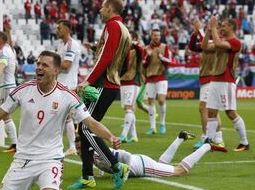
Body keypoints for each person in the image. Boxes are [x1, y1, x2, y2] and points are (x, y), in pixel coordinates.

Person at [0, 51, 122, 190]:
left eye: (45, 65)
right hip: (22, 159)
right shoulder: (23, 90)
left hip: (50, 160)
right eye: (38, 64)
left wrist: (111, 137)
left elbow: (91, 123)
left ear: (56, 70)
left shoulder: (68, 96)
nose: (39, 68)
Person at [69, 0, 131, 190]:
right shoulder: (125, 30)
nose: (100, 10)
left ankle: (116, 166)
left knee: (87, 128)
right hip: (110, 82)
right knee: (83, 126)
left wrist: (89, 80)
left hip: (102, 84)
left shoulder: (112, 26)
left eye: (103, 7)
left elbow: (107, 56)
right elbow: (124, 62)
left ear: (111, 8)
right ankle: (87, 176)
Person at [76, 131, 227, 178]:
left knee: (179, 171)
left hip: (141, 166)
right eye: (76, 148)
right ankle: (180, 138)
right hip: (141, 162)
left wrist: (125, 173)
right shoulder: (89, 154)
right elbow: (102, 162)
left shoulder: (95, 151)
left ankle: (207, 146)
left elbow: (123, 154)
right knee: (163, 163)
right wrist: (101, 173)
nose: (77, 150)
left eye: (79, 147)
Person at [201, 16, 249, 151]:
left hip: (226, 81)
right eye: (221, 25)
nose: (222, 27)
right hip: (215, 80)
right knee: (211, 112)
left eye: (224, 25)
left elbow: (217, 44)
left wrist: (214, 28)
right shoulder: (222, 41)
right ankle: (208, 143)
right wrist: (209, 31)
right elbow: (204, 47)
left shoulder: (235, 42)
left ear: (231, 27)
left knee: (230, 112)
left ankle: (244, 142)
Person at [188, 18, 223, 149]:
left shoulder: (219, 43)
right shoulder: (208, 40)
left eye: (213, 26)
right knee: (212, 111)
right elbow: (192, 47)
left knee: (203, 108)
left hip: (212, 77)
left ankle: (205, 137)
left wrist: (204, 30)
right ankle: (218, 139)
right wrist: (196, 33)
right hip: (206, 78)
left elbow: (205, 45)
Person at [56, 19, 82, 156]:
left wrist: (52, 67)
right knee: (66, 117)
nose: (57, 30)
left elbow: (66, 65)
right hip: (61, 83)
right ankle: (72, 146)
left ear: (66, 29)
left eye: (59, 28)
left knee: (67, 116)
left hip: (68, 85)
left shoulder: (72, 44)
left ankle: (74, 145)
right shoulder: (61, 44)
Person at [143, 28, 171, 135]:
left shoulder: (164, 47)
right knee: (150, 101)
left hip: (161, 77)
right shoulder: (146, 48)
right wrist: (148, 56)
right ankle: (152, 127)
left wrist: (161, 57)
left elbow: (169, 62)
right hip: (150, 77)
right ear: (151, 36)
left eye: (158, 35)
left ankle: (162, 123)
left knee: (161, 100)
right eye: (155, 35)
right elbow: (144, 64)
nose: (157, 37)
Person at [119, 31, 144, 143]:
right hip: (123, 81)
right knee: (128, 109)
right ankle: (134, 136)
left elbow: (141, 50)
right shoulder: (123, 51)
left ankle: (123, 135)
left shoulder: (137, 50)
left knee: (129, 107)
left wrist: (134, 43)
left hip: (133, 81)